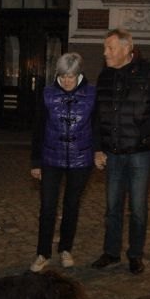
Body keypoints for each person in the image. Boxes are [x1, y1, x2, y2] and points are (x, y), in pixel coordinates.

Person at [90, 28, 150, 274]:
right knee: (112, 208)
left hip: (140, 154)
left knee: (138, 209)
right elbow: (97, 116)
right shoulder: (105, 76)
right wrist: (98, 148)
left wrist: (139, 133)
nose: (105, 53)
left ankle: (135, 255)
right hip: (113, 154)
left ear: (127, 49)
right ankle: (111, 253)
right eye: (105, 48)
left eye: (110, 48)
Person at [29, 52, 96, 272]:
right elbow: (38, 127)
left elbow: (97, 125)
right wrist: (35, 161)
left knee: (71, 206)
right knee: (47, 206)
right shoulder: (47, 94)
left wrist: (98, 151)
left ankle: (66, 248)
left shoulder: (92, 94)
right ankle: (43, 253)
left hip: (81, 159)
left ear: (79, 74)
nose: (67, 81)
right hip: (50, 158)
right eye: (63, 76)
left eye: (71, 76)